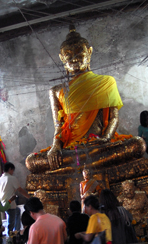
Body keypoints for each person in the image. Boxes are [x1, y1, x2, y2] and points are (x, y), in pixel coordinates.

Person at [25, 26, 140, 174]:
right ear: (61, 58)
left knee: (137, 144)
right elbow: (59, 128)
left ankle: (80, 164)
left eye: (80, 52)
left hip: (100, 145)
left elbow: (113, 118)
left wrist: (106, 138)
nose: (74, 58)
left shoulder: (106, 82)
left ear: (89, 52)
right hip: (72, 149)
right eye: (68, 54)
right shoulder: (56, 91)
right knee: (31, 162)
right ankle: (86, 162)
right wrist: (55, 148)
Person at [0, 162, 30, 233]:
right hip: (10, 203)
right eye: (12, 170)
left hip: (2, 203)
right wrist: (29, 197)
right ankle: (11, 237)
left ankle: (16, 231)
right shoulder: (11, 178)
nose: (13, 172)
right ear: (10, 169)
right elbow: (20, 190)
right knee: (10, 222)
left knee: (17, 211)